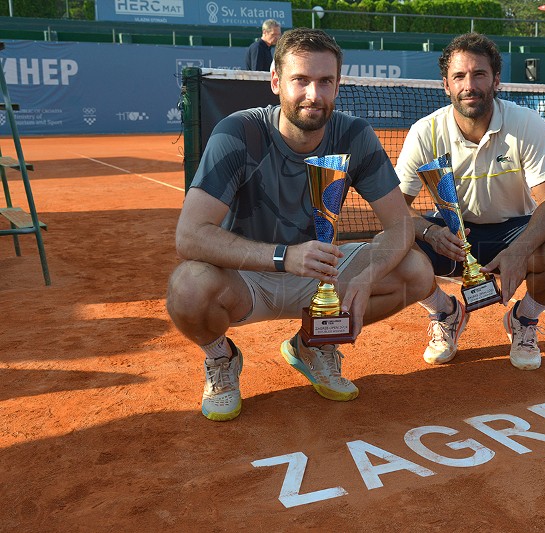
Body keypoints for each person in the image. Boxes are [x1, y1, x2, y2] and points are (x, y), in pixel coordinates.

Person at [167, 28, 434, 421]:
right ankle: (222, 359)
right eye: (301, 80)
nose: (314, 94)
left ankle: (313, 344)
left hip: (322, 273)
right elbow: (189, 235)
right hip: (247, 276)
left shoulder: (354, 134)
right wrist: (283, 256)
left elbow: (399, 226)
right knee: (187, 288)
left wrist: (363, 274)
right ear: (276, 82)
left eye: (325, 81)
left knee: (415, 271)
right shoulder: (237, 132)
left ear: (338, 85)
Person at [395, 32, 545, 371]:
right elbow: (394, 210)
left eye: (479, 74)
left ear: (496, 80)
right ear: (446, 85)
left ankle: (523, 320)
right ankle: (445, 313)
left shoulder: (525, 123)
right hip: (450, 234)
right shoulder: (425, 132)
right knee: (390, 250)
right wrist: (430, 233)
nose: (470, 84)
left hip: (514, 228)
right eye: (459, 76)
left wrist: (519, 250)